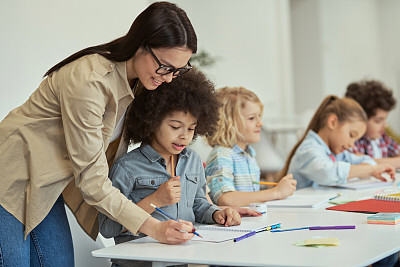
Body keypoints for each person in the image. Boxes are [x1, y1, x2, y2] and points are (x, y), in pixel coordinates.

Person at [0, 2, 200, 266]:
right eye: (165, 67)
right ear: (141, 44)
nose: (170, 78)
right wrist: (155, 228)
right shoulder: (89, 81)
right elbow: (92, 180)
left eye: (178, 69)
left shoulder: (140, 82)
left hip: (44, 184)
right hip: (10, 174)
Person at [99, 68, 241, 267]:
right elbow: (107, 227)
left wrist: (217, 213)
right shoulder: (127, 167)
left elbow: (198, 205)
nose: (185, 136)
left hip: (180, 261)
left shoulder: (192, 160)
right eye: (175, 127)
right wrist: (155, 199)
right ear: (151, 120)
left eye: (191, 129)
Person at [205, 87, 297, 207]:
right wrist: (276, 192)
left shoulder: (249, 154)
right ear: (229, 124)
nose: (260, 123)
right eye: (252, 118)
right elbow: (226, 199)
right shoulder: (222, 155)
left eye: (259, 116)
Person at [279, 95, 395, 190]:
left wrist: (369, 168)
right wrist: (370, 170)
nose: (352, 144)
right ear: (333, 122)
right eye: (351, 135)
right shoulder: (309, 150)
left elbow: (367, 160)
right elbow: (328, 172)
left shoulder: (337, 152)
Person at [345, 80, 400, 168]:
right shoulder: (352, 141)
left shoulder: (382, 138)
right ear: (359, 120)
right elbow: (364, 163)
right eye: (378, 120)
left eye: (385, 119)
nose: (386, 125)